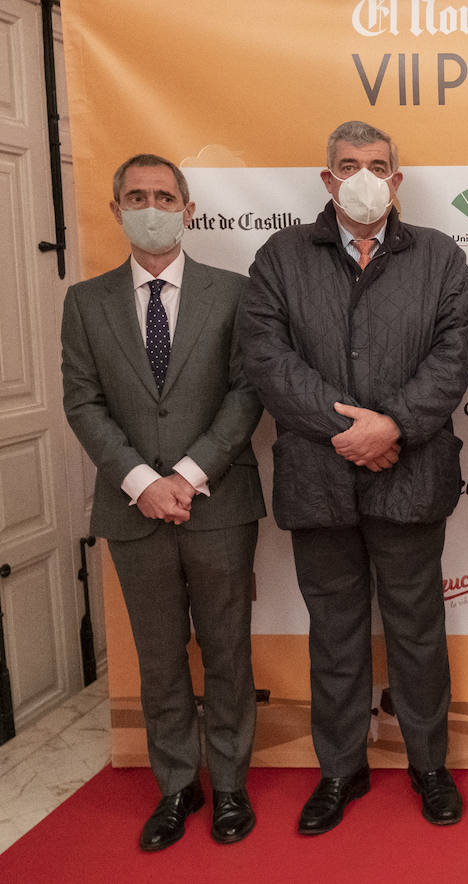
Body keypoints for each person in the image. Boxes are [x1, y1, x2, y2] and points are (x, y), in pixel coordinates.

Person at [238, 121, 468, 834]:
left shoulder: (440, 255)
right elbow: (268, 358)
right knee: (335, 635)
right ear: (327, 179)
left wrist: (392, 427)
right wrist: (352, 432)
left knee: (417, 632)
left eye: (378, 164)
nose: (365, 176)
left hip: (411, 479)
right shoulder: (281, 257)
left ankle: (429, 765)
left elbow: (452, 356)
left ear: (398, 180)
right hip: (319, 483)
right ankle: (341, 770)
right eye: (350, 165)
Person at [61, 154, 265, 850]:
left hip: (220, 503)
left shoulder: (234, 294)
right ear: (117, 209)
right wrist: (142, 483)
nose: (153, 206)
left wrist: (187, 471)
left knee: (228, 649)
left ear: (189, 209)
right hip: (131, 510)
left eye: (166, 195)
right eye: (138, 196)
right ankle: (178, 786)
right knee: (158, 657)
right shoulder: (85, 303)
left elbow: (246, 394)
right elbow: (83, 403)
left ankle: (232, 785)